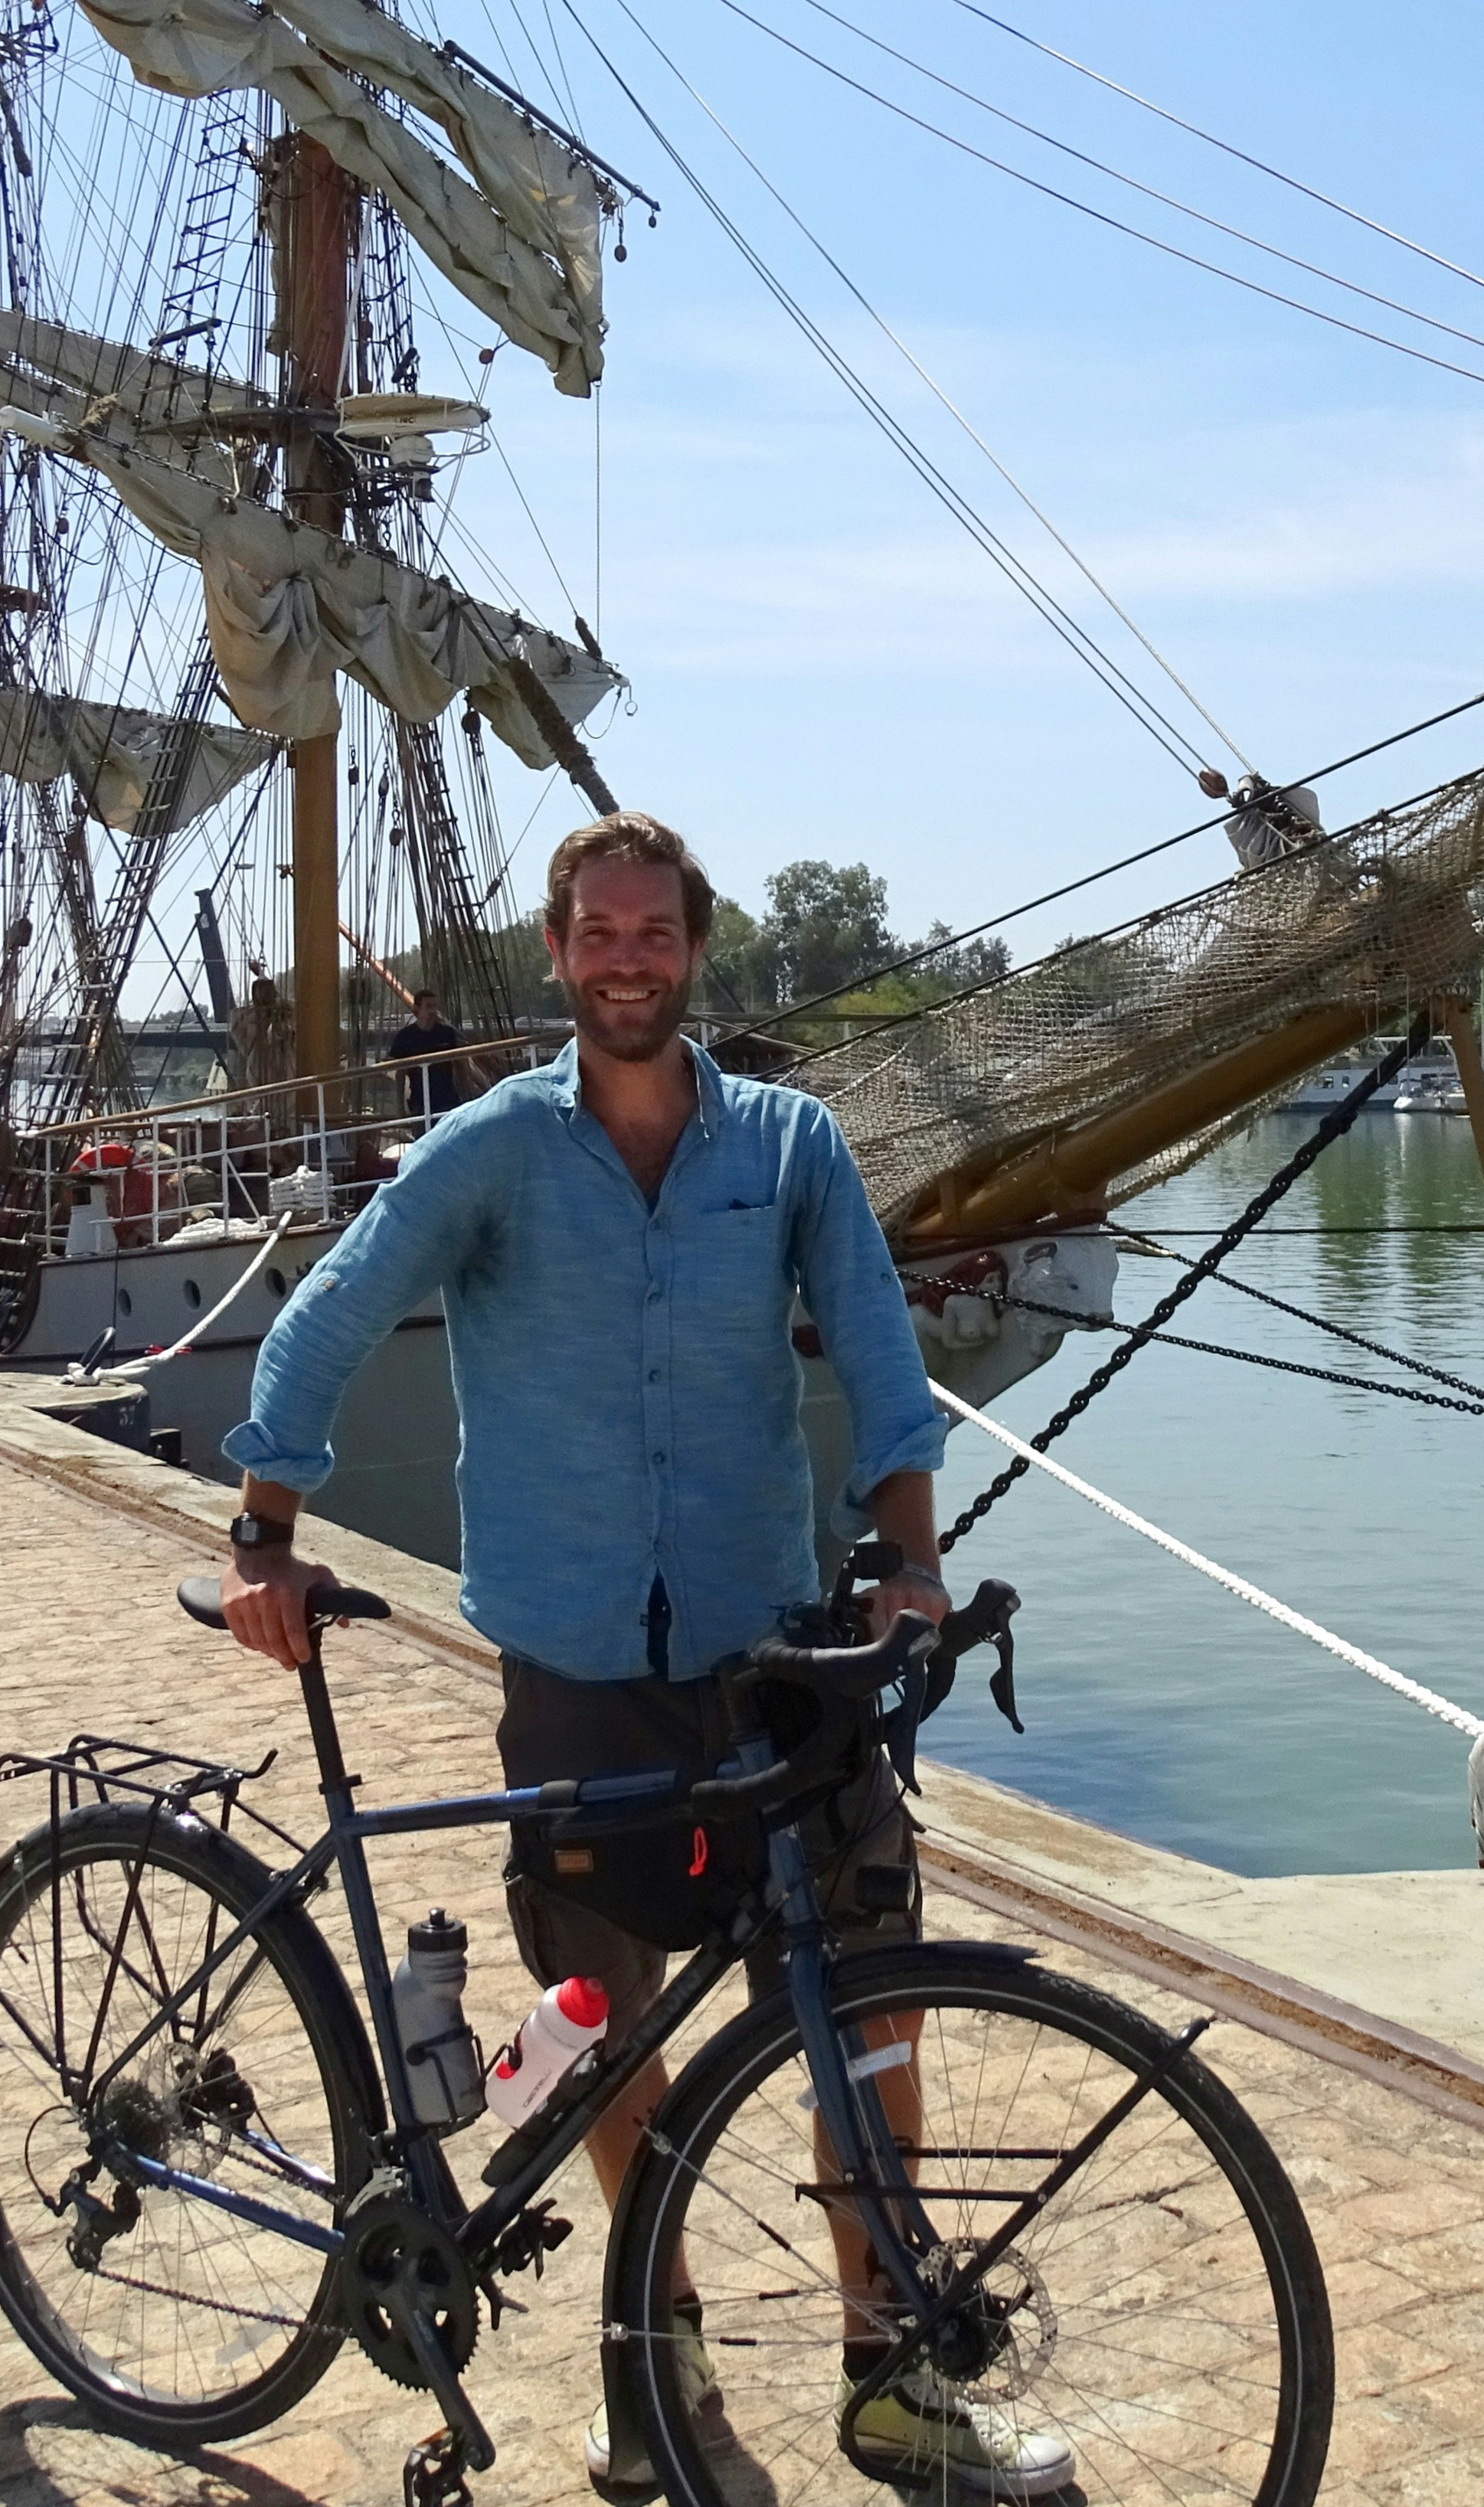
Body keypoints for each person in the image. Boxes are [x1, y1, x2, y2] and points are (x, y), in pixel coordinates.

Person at [217, 811, 1069, 2503]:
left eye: (655, 933)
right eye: (597, 933)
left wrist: (906, 1562)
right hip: (581, 1654)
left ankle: (891, 2372)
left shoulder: (791, 1146)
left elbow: (886, 1368)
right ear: (558, 954)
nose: (626, 959)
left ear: (695, 950)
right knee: (609, 2021)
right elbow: (332, 1304)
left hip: (775, 1642)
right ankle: (652, 2364)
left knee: (867, 2007)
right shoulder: (491, 1152)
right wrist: (263, 1527)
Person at [382, 984, 469, 1120]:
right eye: (428, 1006)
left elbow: (461, 1066)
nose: (433, 1011)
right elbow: (400, 1074)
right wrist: (401, 1109)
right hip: (420, 1104)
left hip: (448, 1102)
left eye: (435, 1006)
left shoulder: (447, 1033)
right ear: (417, 1009)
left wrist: (466, 1099)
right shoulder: (405, 1037)